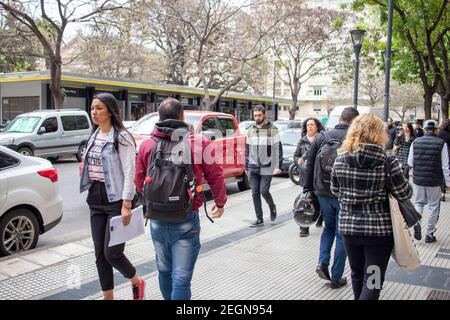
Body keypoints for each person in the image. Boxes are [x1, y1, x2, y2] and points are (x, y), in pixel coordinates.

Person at [135, 98, 227, 300]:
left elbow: (138, 181)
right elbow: (216, 175)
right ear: (182, 117)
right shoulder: (199, 142)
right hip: (186, 219)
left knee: (164, 272)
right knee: (181, 279)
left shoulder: (147, 145)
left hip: (157, 219)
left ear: (159, 118)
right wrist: (219, 203)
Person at [330, 114, 412, 300]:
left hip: (349, 230)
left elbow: (335, 190)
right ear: (378, 134)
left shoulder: (340, 159)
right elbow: (404, 194)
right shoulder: (388, 161)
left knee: (357, 275)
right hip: (378, 234)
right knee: (373, 281)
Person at [79, 93, 145, 300]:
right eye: (92, 108)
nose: (94, 112)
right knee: (99, 253)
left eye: (99, 108)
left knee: (112, 253)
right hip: (95, 198)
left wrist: (126, 203)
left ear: (109, 110)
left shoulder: (122, 136)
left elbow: (129, 171)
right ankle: (108, 296)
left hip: (116, 200)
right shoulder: (95, 134)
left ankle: (136, 280)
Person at [304, 107, 359, 289]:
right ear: (353, 122)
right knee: (341, 234)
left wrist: (308, 190)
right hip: (344, 193)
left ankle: (322, 262)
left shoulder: (322, 137)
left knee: (329, 228)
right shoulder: (353, 140)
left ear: (341, 119)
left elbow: (310, 164)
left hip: (322, 192)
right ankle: (336, 278)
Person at [408, 119, 450, 243]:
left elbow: (410, 162)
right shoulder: (441, 143)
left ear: (424, 129)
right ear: (436, 129)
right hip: (435, 181)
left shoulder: (415, 142)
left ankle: (417, 222)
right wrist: (448, 183)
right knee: (433, 206)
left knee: (419, 203)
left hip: (418, 179)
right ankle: (429, 234)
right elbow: (445, 166)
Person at [245, 105, 283, 227]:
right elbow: (247, 149)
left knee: (264, 191)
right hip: (253, 166)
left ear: (264, 115)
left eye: (259, 115)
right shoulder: (250, 129)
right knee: (255, 193)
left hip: (267, 166)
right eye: (255, 115)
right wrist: (246, 166)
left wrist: (278, 165)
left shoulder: (273, 129)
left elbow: (278, 148)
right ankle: (259, 218)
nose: (257, 117)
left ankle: (272, 207)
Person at [293, 117, 324, 237]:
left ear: (317, 127)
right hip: (306, 175)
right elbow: (295, 156)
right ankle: (304, 228)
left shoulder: (322, 139)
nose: (309, 127)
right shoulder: (302, 141)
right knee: (306, 200)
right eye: (307, 125)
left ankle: (320, 217)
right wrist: (298, 161)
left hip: (319, 176)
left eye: (312, 125)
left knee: (319, 198)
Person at [438, 119, 450, 201]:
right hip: (448, 155)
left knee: (441, 173)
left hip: (440, 154)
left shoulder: (439, 133)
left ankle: (442, 192)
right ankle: (445, 188)